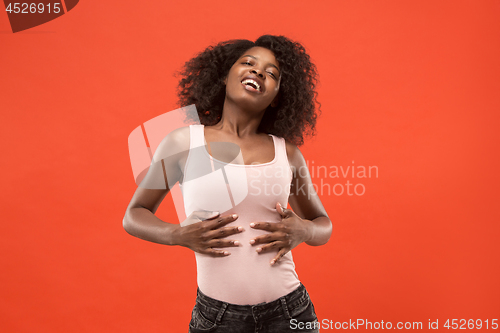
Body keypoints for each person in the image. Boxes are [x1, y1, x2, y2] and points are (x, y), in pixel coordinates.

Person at [123, 35, 332, 332]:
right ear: (223, 76)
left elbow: (323, 224)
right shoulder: (183, 142)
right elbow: (134, 215)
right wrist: (177, 234)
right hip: (217, 319)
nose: (258, 72)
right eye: (248, 63)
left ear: (277, 97)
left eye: (271, 74)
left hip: (290, 311)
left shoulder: (287, 154)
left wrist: (306, 229)